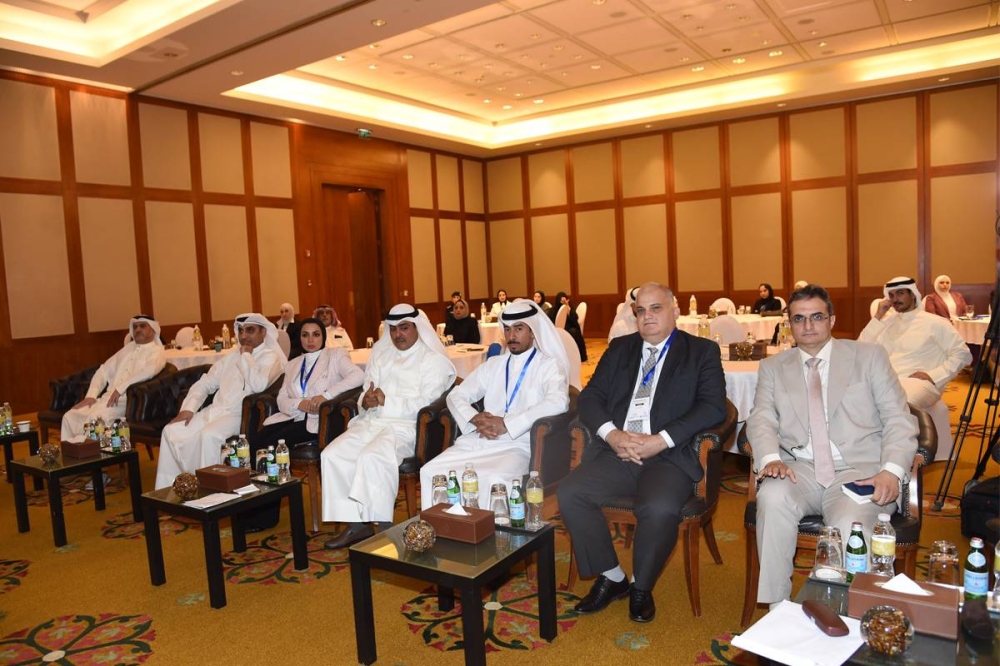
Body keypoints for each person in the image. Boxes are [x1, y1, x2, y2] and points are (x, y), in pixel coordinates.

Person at [557, 282, 726, 623]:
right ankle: (612, 576)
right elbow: (590, 398)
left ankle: (641, 586)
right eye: (641, 310)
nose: (647, 317)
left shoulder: (701, 351)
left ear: (675, 311)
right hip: (619, 451)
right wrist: (613, 435)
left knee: (659, 507)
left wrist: (661, 439)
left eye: (656, 308)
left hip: (668, 456)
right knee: (571, 492)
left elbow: (713, 406)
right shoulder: (620, 348)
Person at [747, 284, 918, 605]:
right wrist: (770, 459)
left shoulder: (868, 357)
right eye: (799, 319)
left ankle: (853, 611)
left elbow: (898, 418)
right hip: (800, 469)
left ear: (832, 320)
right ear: (789, 324)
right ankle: (777, 607)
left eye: (816, 317)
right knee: (771, 496)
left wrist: (891, 471)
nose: (808, 325)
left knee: (849, 525)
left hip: (861, 470)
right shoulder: (773, 368)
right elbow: (761, 419)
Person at [321, 305, 456, 548]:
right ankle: (357, 526)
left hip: (406, 427)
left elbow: (428, 403)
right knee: (332, 454)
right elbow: (366, 391)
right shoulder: (381, 355)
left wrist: (387, 401)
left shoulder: (433, 360)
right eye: (393, 329)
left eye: (404, 328)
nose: (397, 335)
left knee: (372, 457)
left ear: (417, 328)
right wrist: (366, 401)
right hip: (371, 421)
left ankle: (384, 529)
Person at [420, 300, 569, 508]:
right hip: (480, 439)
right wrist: (473, 418)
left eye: (518, 329)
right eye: (507, 329)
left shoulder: (549, 365)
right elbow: (457, 394)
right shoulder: (494, 365)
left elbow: (558, 402)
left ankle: (490, 528)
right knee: (431, 470)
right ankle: (450, 525)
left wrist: (508, 423)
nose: (511, 336)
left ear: (533, 331)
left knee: (493, 479)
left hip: (518, 443)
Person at [241, 318, 365, 530]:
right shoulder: (293, 364)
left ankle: (265, 517)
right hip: (294, 416)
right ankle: (258, 509)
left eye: (316, 334)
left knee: (271, 449)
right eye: (305, 335)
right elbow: (281, 398)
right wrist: (300, 403)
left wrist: (325, 396)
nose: (310, 340)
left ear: (323, 336)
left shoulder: (335, 355)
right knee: (257, 445)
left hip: (320, 423)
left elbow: (358, 376)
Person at [154, 314, 285, 489]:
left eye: (250, 330)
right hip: (215, 410)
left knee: (209, 435)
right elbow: (206, 383)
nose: (244, 336)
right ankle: (171, 489)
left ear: (263, 332)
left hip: (239, 415)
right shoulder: (231, 356)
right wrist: (188, 408)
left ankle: (209, 492)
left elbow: (259, 384)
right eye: (240, 331)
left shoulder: (270, 357)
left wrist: (246, 356)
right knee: (171, 431)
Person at [859, 276, 971, 409]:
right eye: (891, 295)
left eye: (900, 293)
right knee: (851, 401)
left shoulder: (935, 322)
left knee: (893, 405)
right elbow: (860, 348)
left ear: (913, 294)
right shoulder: (886, 323)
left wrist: (933, 376)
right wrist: (878, 316)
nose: (895, 299)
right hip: (885, 380)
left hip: (919, 383)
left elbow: (963, 354)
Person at [61, 315, 167, 443]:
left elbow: (149, 371)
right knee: (70, 416)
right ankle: (71, 452)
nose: (137, 329)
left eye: (142, 326)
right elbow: (103, 370)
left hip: (128, 402)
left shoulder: (157, 351)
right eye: (135, 327)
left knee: (96, 420)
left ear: (153, 330)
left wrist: (120, 388)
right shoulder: (127, 349)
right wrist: (91, 395)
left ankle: (89, 453)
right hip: (106, 399)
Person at [550, 291, 587, 362]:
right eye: (561, 300)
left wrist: (567, 307)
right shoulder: (553, 310)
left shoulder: (569, 307)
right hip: (557, 330)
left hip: (569, 327)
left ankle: (577, 356)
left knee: (574, 332)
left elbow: (575, 318)